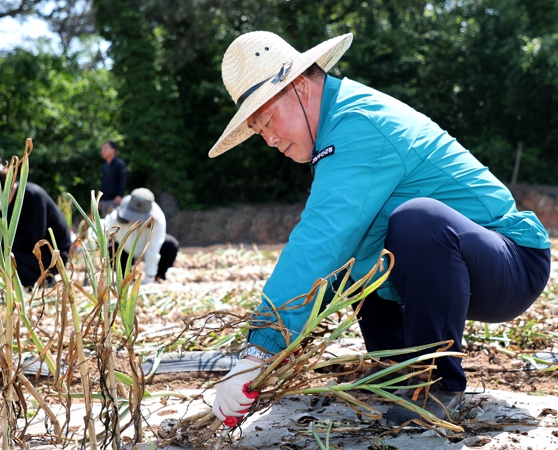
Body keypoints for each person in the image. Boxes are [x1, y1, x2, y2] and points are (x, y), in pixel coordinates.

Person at [208, 31, 551, 427]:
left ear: (299, 87)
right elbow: (331, 258)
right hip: (461, 268)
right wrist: (280, 354)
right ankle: (397, 369)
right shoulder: (337, 129)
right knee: (358, 244)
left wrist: (260, 350)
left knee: (416, 221)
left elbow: (319, 239)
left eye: (266, 121)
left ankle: (435, 382)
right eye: (258, 131)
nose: (268, 139)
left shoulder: (358, 125)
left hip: (512, 263)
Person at [0, 156, 72, 288]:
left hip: (47, 257)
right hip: (18, 252)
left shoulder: (33, 196)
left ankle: (39, 282)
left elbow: (32, 241)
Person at [101, 188, 179, 283]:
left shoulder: (158, 219)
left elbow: (154, 247)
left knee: (171, 244)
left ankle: (159, 276)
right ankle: (125, 277)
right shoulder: (116, 216)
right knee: (111, 246)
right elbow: (102, 231)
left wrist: (149, 276)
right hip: (125, 251)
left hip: (146, 250)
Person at [99, 141, 127, 216]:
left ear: (113, 150)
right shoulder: (105, 165)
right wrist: (100, 199)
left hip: (115, 201)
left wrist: (120, 195)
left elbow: (123, 180)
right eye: (102, 148)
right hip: (104, 201)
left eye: (105, 148)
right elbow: (103, 183)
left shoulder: (119, 164)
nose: (103, 151)